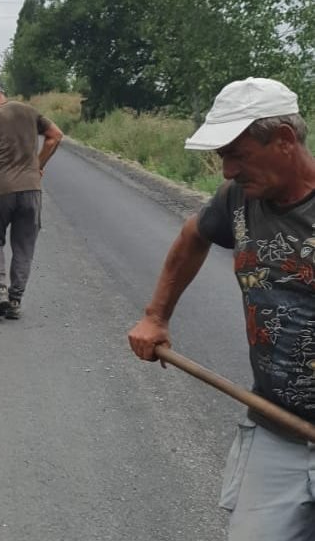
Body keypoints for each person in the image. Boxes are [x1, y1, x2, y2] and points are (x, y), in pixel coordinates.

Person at [127, 77, 315, 540]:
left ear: (285, 141)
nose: (227, 170)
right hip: (277, 430)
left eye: (238, 154)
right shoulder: (239, 200)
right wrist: (156, 315)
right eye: (222, 156)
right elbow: (194, 236)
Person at [0, 81, 63, 319]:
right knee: (23, 246)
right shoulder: (28, 112)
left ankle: (0, 289)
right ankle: (14, 301)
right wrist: (37, 166)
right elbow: (55, 136)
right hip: (30, 190)